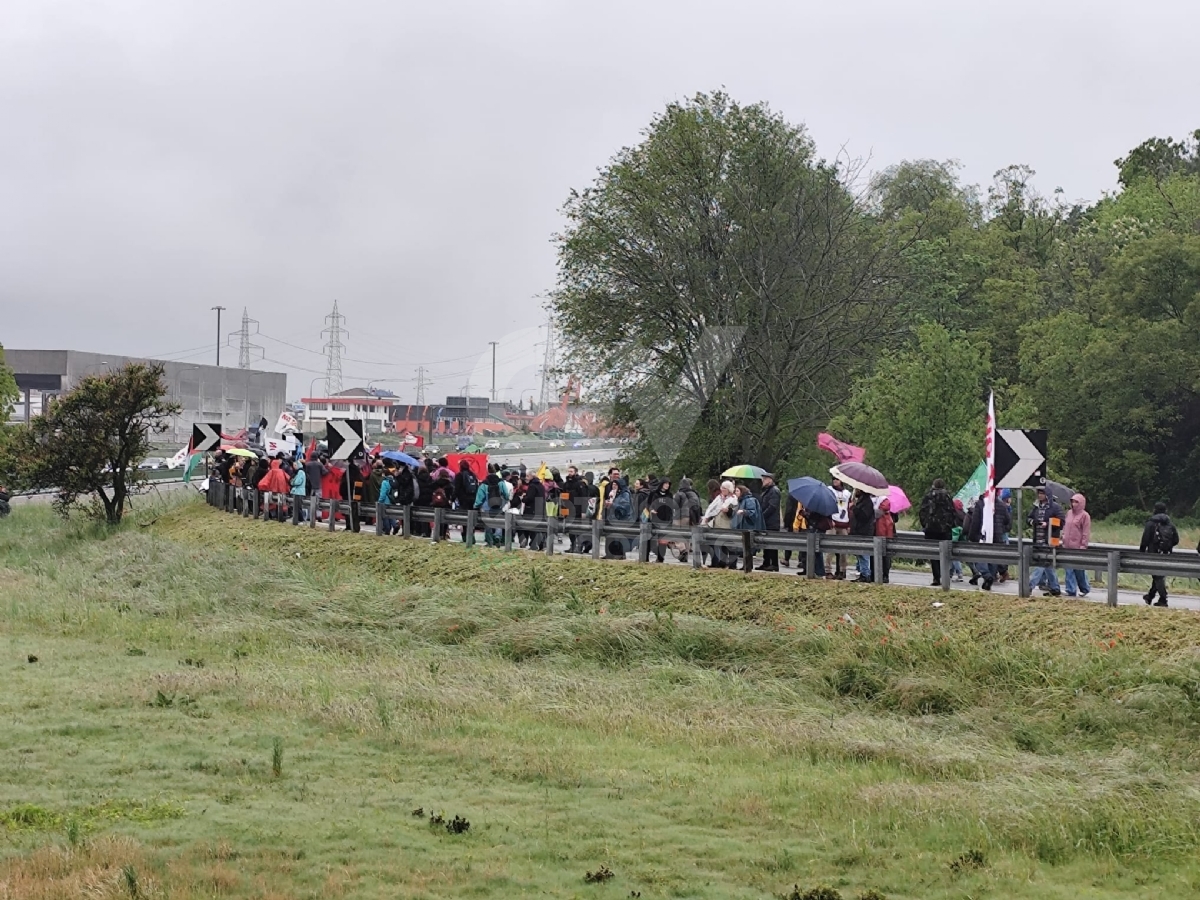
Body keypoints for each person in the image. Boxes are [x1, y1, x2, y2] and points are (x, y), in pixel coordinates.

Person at [968, 488, 1013, 590]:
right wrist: (1001, 530)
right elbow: (1008, 522)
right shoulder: (1002, 505)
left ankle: (987, 576)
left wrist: (972, 536)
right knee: (993, 559)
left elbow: (975, 522)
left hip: (982, 536)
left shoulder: (980, 504)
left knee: (979, 558)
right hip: (997, 537)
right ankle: (990, 579)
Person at [918, 478, 957, 586]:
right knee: (945, 554)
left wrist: (925, 525)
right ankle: (945, 576)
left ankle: (936, 577)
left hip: (931, 529)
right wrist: (951, 525)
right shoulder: (948, 497)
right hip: (945, 530)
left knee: (934, 554)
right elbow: (953, 512)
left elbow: (922, 512)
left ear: (933, 485)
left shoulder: (928, 496)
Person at [1028, 486, 1064, 596]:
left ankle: (1029, 585)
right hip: (1037, 539)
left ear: (1047, 494)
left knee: (1042, 563)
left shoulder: (1055, 507)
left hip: (1049, 539)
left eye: (1042, 493)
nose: (1040, 495)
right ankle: (1055, 587)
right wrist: (1033, 522)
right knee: (1047, 564)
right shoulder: (1036, 507)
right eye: (1038, 493)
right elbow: (1028, 518)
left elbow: (1062, 522)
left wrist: (1048, 524)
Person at [1140, 501, 1178, 606]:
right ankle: (1150, 596)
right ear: (1165, 511)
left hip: (1153, 553)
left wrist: (1142, 551)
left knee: (1157, 576)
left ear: (1155, 510)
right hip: (1166, 553)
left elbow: (1145, 539)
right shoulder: (1170, 524)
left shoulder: (1151, 523)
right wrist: (1167, 546)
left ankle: (1163, 599)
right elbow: (1176, 540)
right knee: (1158, 576)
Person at [701, 481, 738, 568]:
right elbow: (712, 508)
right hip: (717, 522)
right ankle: (722, 562)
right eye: (721, 487)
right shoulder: (719, 497)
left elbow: (733, 512)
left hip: (726, 522)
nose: (722, 489)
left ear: (728, 489)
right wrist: (707, 517)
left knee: (728, 544)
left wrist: (728, 510)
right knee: (719, 543)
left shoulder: (733, 498)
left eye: (724, 488)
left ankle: (732, 564)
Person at [1062, 492, 1092, 598]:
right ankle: (1070, 589)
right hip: (1067, 545)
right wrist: (1063, 537)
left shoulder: (1085, 516)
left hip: (1077, 546)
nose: (1074, 504)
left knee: (1079, 570)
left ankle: (1085, 588)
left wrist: (1083, 545)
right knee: (1068, 568)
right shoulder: (1069, 513)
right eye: (1073, 502)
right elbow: (1065, 526)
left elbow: (1085, 532)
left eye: (1076, 502)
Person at [731, 484, 763, 570]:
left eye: (737, 491)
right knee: (744, 546)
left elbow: (752, 512)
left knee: (748, 546)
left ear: (742, 492)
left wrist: (744, 511)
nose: (736, 493)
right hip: (743, 526)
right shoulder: (741, 501)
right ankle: (745, 565)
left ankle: (747, 565)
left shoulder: (750, 500)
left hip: (749, 526)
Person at [849, 490, 876, 582]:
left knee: (864, 554)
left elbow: (864, 517)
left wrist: (854, 508)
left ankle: (866, 574)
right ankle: (863, 573)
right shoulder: (861, 501)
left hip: (864, 532)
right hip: (859, 531)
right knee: (860, 554)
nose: (856, 491)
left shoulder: (867, 502)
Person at [673, 477, 702, 563]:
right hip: (692, 517)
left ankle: (682, 550)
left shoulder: (680, 494)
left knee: (677, 533)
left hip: (681, 516)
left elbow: (675, 506)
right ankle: (686, 554)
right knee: (686, 535)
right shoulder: (694, 494)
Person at [756, 473, 781, 572]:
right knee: (765, 543)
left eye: (765, 479)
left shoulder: (774, 491)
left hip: (772, 522)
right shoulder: (767, 491)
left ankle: (773, 564)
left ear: (770, 480)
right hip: (767, 522)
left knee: (772, 544)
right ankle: (766, 563)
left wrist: (762, 516)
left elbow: (772, 507)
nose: (763, 481)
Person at [828, 477, 852, 579]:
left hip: (843, 523)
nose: (835, 481)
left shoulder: (847, 493)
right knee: (830, 548)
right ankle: (828, 570)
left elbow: (849, 509)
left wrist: (849, 524)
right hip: (832, 523)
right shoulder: (829, 490)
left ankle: (842, 570)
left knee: (843, 550)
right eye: (833, 479)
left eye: (837, 479)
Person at [873, 496, 896, 582]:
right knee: (883, 555)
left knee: (885, 555)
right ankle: (882, 574)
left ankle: (885, 574)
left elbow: (878, 513)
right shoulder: (880, 501)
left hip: (884, 532)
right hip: (883, 531)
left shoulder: (883, 502)